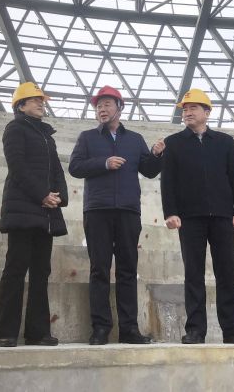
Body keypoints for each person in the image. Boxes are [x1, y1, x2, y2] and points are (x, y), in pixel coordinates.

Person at [69, 85, 164, 345]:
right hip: (97, 210)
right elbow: (75, 167)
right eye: (98, 106)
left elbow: (149, 170)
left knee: (127, 271)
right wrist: (104, 163)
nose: (102, 109)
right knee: (99, 269)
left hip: (128, 211)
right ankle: (100, 328)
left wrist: (156, 155)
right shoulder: (87, 138)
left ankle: (129, 329)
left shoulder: (134, 139)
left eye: (107, 104)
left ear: (119, 108)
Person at [161, 88, 234, 345]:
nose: (187, 112)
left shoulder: (225, 142)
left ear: (207, 112)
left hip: (222, 215)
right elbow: (167, 182)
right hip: (189, 217)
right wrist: (170, 212)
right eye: (184, 109)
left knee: (227, 273)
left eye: (193, 108)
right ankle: (195, 330)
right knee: (193, 274)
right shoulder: (173, 143)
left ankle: (232, 330)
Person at [0, 82, 68, 347]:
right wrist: (42, 194)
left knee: (40, 271)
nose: (40, 103)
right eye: (35, 100)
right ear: (20, 105)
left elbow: (57, 170)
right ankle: (5, 332)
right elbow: (18, 166)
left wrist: (59, 197)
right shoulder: (15, 129)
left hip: (46, 212)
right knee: (16, 268)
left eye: (41, 100)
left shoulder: (47, 136)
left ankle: (37, 331)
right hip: (24, 209)